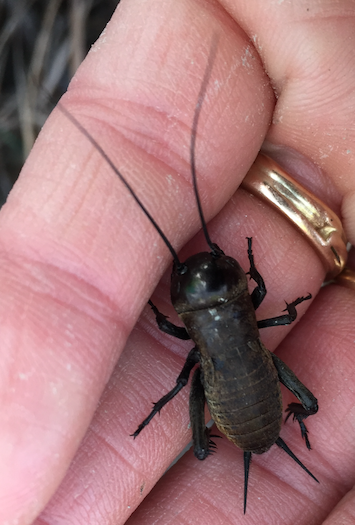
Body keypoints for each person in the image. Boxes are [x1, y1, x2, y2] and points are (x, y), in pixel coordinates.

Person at [2, 0, 355, 523]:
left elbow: (172, 329)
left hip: (242, 395)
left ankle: (207, 444)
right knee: (207, 387)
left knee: (179, 389)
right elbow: (269, 307)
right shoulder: (252, 299)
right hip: (249, 388)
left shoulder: (189, 323)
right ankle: (265, 429)